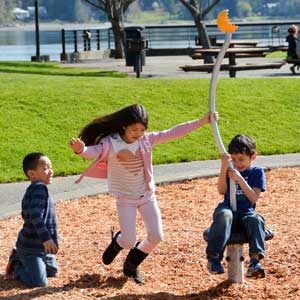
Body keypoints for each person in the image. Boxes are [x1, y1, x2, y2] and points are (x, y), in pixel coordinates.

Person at [70, 103, 218, 284]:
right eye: (134, 130)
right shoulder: (111, 143)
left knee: (156, 236)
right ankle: (119, 241)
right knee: (129, 240)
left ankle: (132, 264)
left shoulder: (146, 140)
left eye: (142, 130)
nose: (138, 134)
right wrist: (81, 150)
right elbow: (92, 152)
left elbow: (172, 132)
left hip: (147, 196)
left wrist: (201, 122)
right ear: (124, 126)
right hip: (125, 198)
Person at [205, 134, 266, 278]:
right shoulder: (229, 169)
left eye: (241, 159)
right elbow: (221, 190)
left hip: (246, 212)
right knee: (224, 215)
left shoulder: (256, 172)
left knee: (257, 220)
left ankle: (254, 262)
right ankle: (214, 258)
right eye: (234, 159)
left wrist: (239, 179)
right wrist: (224, 167)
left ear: (253, 156)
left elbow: (253, 197)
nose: (237, 163)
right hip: (228, 208)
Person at [5, 153, 59, 287]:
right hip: (31, 248)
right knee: (39, 282)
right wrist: (47, 238)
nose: (51, 171)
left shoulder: (34, 189)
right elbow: (35, 214)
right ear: (32, 174)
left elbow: (26, 212)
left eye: (51, 167)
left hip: (40, 247)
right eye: (46, 168)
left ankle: (24, 257)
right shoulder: (39, 189)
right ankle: (17, 266)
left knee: (52, 271)